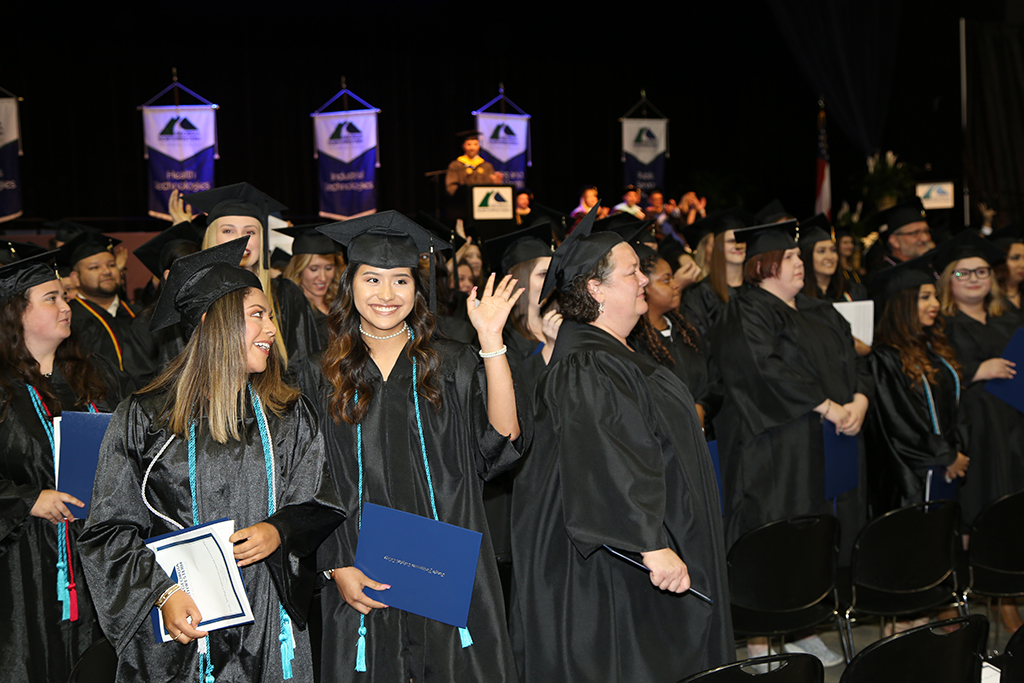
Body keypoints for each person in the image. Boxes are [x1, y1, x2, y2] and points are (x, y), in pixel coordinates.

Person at [79, 238, 346, 683]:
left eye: (270, 316)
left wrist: (278, 530)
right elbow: (109, 531)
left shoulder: (287, 412)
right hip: (183, 621)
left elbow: (320, 500)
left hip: (267, 620)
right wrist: (161, 595)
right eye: (257, 316)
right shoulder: (147, 417)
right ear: (213, 323)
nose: (272, 329)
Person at [302, 212, 529, 682]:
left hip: (446, 566)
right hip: (360, 567)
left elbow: (501, 441)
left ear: (417, 288)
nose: (386, 294)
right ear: (349, 284)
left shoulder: (451, 362)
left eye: (400, 280)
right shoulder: (318, 374)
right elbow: (307, 479)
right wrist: (334, 563)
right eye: (372, 279)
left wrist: (490, 341)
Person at [510, 206, 733, 682]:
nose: (644, 280)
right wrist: (649, 544)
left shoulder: (614, 349)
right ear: (595, 288)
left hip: (644, 539)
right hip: (616, 557)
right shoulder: (587, 363)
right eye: (633, 272)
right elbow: (605, 453)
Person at [711, 221, 869, 666]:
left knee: (813, 537)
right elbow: (761, 370)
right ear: (764, 265)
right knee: (771, 538)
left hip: (825, 448)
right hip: (773, 452)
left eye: (801, 256)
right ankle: (761, 644)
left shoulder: (820, 310)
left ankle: (802, 625)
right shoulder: (746, 311)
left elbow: (857, 359)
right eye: (793, 257)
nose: (802, 263)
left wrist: (858, 400)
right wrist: (828, 407)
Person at [0, 251, 127, 682]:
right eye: (51, 298)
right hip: (24, 563)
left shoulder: (93, 375)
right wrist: (28, 499)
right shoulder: (2, 390)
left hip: (98, 553)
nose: (66, 307)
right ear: (15, 312)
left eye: (65, 297)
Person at [932, 233, 1022, 533]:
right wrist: (977, 370)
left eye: (981, 272)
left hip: (1015, 423)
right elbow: (930, 375)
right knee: (977, 497)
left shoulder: (1011, 318)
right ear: (948, 281)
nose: (974, 279)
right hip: (973, 426)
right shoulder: (940, 325)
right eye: (962, 273)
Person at [865, 256, 969, 514]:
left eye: (934, 296)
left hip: (946, 470)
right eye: (924, 297)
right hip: (908, 477)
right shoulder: (884, 357)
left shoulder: (935, 350)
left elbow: (955, 409)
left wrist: (957, 452)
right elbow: (898, 422)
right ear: (903, 304)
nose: (935, 304)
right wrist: (945, 456)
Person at [185, 182, 322, 366]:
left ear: (262, 240)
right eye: (228, 230)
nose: (241, 239)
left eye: (250, 232)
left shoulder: (287, 295)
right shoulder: (190, 302)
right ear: (212, 238)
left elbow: (305, 368)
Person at [629, 244, 717, 431]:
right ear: (644, 287)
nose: (676, 284)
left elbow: (715, 378)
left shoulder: (687, 332)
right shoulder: (634, 344)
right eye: (666, 280)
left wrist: (702, 407)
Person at [56, 231, 151, 382]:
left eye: (112, 265)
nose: (107, 271)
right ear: (76, 278)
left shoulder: (139, 314)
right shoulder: (67, 319)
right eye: (94, 268)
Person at [681, 208, 753, 338]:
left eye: (742, 240)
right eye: (731, 241)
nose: (738, 246)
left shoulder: (755, 287)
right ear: (718, 245)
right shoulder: (699, 295)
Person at [280, 226, 346, 348]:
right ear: (299, 269)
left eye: (328, 268)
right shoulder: (290, 311)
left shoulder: (342, 304)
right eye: (314, 269)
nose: (322, 277)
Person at [445, 130, 503, 196]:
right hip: (463, 202)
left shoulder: (486, 166)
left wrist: (496, 184)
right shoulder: (456, 165)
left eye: (475, 144)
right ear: (463, 146)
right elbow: (451, 187)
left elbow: (491, 188)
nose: (472, 148)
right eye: (469, 144)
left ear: (479, 146)